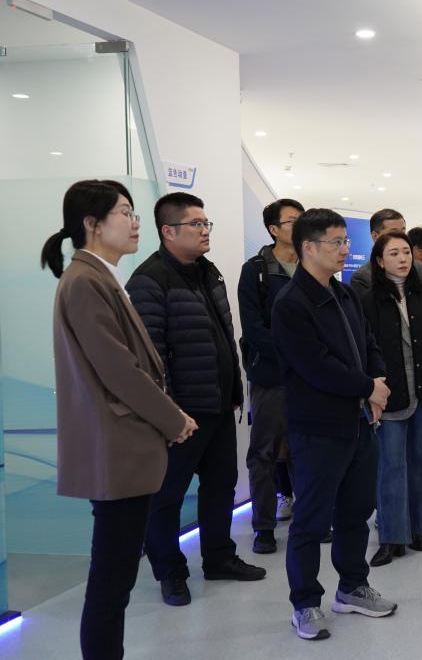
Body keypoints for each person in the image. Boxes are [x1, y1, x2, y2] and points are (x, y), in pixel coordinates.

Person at [42, 180, 198, 659]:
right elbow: (119, 371)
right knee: (111, 582)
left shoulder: (98, 276)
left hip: (123, 446)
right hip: (116, 447)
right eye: (125, 212)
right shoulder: (85, 281)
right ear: (92, 224)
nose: (134, 223)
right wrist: (173, 419)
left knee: (116, 578)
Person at [127, 192, 265, 607]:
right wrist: (169, 414)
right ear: (168, 231)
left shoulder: (209, 272)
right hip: (181, 413)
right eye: (196, 224)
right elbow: (150, 356)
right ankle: (170, 572)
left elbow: (222, 337)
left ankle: (219, 557)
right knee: (166, 496)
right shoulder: (149, 280)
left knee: (220, 486)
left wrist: (235, 390)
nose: (206, 231)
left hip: (218, 405)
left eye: (207, 224)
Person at [272, 208, 397, 641]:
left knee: (356, 512)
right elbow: (316, 366)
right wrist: (368, 388)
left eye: (345, 241)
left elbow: (370, 344)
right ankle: (305, 603)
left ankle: (352, 587)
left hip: (359, 423)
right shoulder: (291, 303)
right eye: (336, 242)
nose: (345, 249)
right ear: (309, 247)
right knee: (310, 519)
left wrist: (377, 383)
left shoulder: (344, 294)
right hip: (318, 428)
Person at [359, 233, 422, 566]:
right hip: (390, 395)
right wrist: (369, 391)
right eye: (393, 253)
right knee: (390, 465)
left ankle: (416, 529)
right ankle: (391, 536)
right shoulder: (368, 299)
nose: (402, 258)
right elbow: (364, 350)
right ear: (379, 261)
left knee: (420, 462)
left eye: (405, 252)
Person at [237, 198, 304, 554]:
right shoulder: (256, 271)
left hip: (309, 379)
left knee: (304, 450)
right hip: (271, 376)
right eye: (292, 221)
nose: (301, 225)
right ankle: (263, 527)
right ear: (274, 229)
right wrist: (295, 352)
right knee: (264, 453)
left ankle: (309, 519)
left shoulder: (312, 265)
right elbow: (253, 328)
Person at [348, 208, 422, 292]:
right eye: (394, 234)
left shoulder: (419, 269)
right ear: (375, 236)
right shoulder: (362, 277)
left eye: (403, 232)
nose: (401, 238)